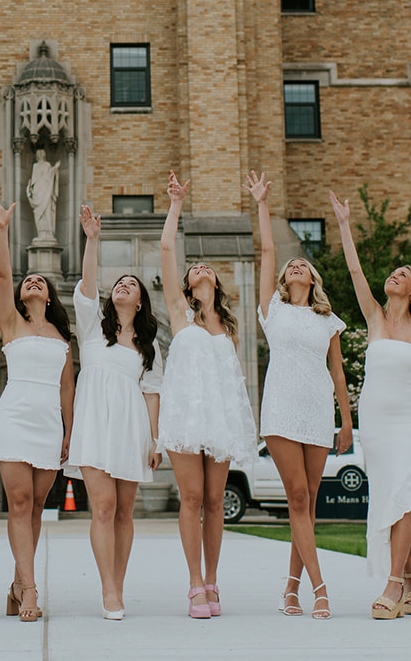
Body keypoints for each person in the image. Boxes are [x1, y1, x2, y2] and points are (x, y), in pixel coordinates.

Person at [330, 189, 411, 620]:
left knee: (402, 498)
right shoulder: (376, 317)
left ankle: (393, 585)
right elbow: (355, 269)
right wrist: (344, 224)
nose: (393, 275)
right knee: (388, 499)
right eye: (393, 272)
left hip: (410, 423)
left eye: (402, 273)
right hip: (375, 427)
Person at [245, 173, 352, 620]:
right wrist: (263, 205)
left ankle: (291, 588)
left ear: (313, 277)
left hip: (316, 412)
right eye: (291, 267)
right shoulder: (274, 310)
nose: (295, 267)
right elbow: (268, 251)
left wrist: (346, 421)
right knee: (297, 498)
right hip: (282, 410)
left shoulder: (328, 321)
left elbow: (338, 372)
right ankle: (320, 588)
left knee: (307, 501)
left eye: (301, 266)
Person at [156, 172, 258, 619]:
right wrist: (176, 205)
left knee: (216, 501)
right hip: (184, 417)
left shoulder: (229, 330)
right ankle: (193, 583)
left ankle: (213, 580)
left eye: (205, 268)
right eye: (192, 268)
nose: (198, 268)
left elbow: (231, 385)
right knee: (192, 498)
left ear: (216, 282)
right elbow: (164, 251)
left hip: (218, 419)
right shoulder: (181, 315)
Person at [66, 203, 163, 620]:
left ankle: (118, 584)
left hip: (131, 430)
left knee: (125, 511)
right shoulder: (92, 328)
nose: (122, 286)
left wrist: (155, 439)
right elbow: (88, 285)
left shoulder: (149, 347)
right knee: (102, 508)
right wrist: (92, 239)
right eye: (118, 283)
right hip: (94, 426)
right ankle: (107, 589)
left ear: (140, 302)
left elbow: (153, 393)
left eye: (130, 284)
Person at [0, 193, 74, 623]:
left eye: (40, 281)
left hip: (48, 423)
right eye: (27, 281)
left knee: (36, 508)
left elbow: (67, 390)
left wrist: (69, 433)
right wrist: (2, 229)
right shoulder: (11, 323)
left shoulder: (62, 336)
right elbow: (2, 276)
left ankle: (18, 584)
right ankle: (31, 589)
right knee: (19, 503)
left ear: (50, 294)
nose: (31, 282)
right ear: (20, 296)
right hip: (16, 415)